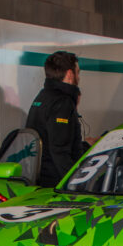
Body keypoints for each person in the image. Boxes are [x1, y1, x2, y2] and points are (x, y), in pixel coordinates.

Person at [26, 51, 91, 187]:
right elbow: (60, 151)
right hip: (55, 183)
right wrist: (76, 183)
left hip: (40, 179)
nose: (79, 77)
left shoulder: (42, 97)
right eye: (77, 72)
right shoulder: (62, 102)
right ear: (69, 74)